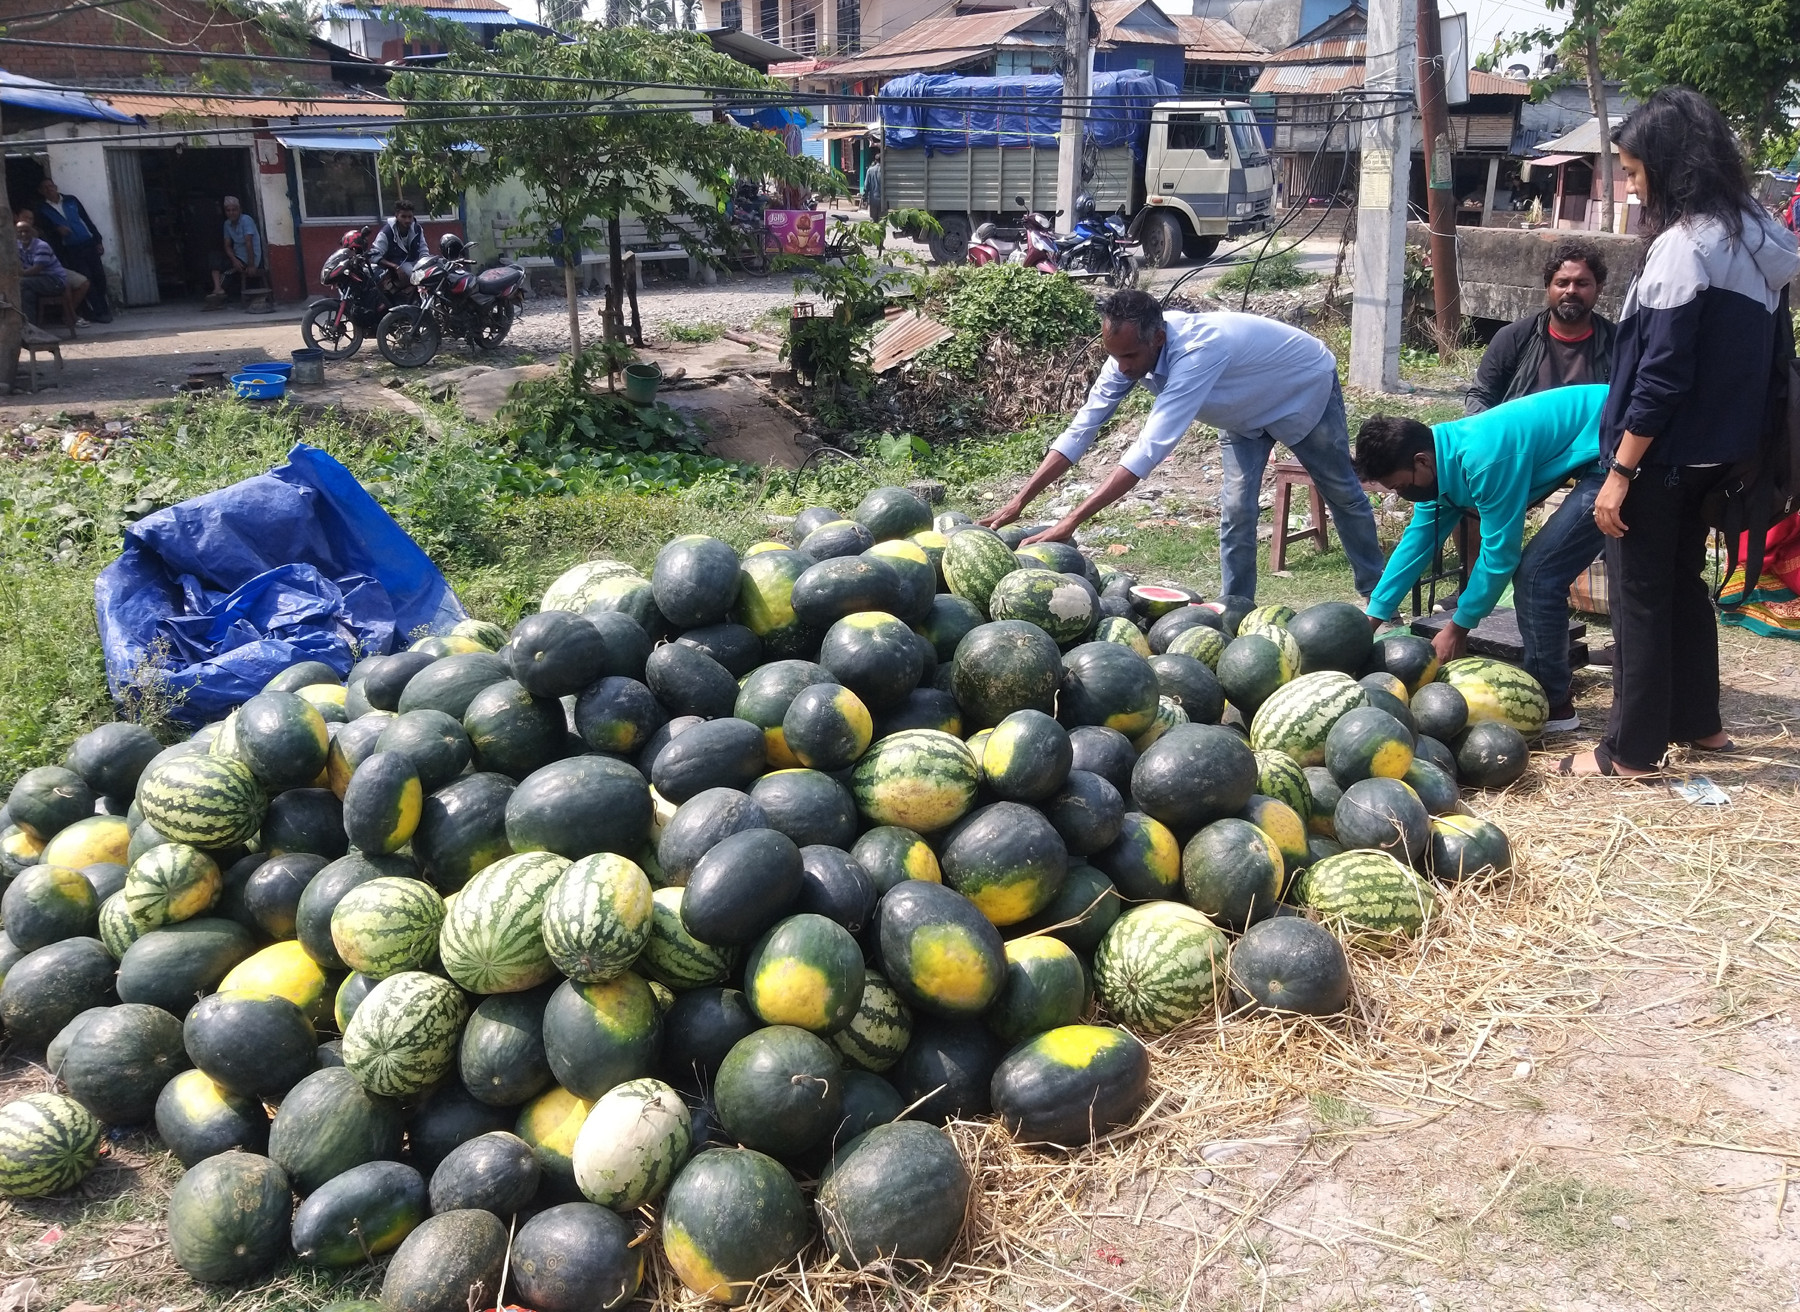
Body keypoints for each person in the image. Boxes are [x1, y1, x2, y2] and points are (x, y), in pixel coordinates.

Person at [1562, 88, 1800, 777]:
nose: (1632, 189)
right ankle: (1702, 724)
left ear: (1669, 168)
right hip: (1721, 456)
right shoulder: (1755, 242)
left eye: (1635, 173)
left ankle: (1629, 752)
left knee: (1638, 596)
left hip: (1661, 458)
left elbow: (1661, 375)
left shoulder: (1682, 249)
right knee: (1684, 585)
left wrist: (1620, 471)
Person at [980, 289, 1386, 603]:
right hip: (1241, 414)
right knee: (1235, 511)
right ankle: (1236, 606)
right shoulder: (1125, 356)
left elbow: (1149, 448)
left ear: (1158, 338)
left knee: (1342, 494)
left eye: (1129, 356)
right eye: (1114, 355)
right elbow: (1082, 428)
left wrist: (1071, 521)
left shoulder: (1197, 351)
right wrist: (1019, 501)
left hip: (1300, 388)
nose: (1122, 366)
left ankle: (1377, 597)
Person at [1356, 385, 1609, 733]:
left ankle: (1554, 705)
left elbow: (1500, 555)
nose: (1401, 494)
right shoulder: (1439, 461)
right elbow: (1415, 546)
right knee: (1537, 573)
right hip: (1595, 448)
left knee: (1536, 576)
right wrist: (1371, 618)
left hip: (1615, 450)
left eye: (1399, 486)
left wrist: (1459, 626)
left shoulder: (1483, 457)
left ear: (1421, 461)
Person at [1465, 238, 1616, 413]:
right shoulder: (1514, 338)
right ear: (1548, 287)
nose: (1571, 290)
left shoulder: (1618, 343)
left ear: (1598, 289)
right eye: (1562, 283)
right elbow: (1480, 396)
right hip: (1523, 437)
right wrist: (1493, 435)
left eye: (1582, 283)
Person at [36, 176, 111, 323]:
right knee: (86, 278)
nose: (49, 189)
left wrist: (98, 240)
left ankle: (104, 309)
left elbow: (86, 219)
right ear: (41, 191)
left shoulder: (71, 200)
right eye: (45, 188)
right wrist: (56, 229)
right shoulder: (42, 209)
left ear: (55, 187)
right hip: (70, 249)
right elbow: (45, 230)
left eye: (51, 186)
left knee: (99, 277)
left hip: (87, 243)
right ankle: (98, 312)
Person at [14, 209, 69, 325]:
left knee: (21, 283)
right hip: (36, 280)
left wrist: (18, 274)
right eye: (20, 232)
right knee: (26, 294)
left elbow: (36, 269)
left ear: (32, 232)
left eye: (26, 231)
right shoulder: (17, 246)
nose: (23, 234)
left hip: (55, 281)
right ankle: (30, 327)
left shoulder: (41, 246)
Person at [206, 196, 262, 307]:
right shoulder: (227, 224)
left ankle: (217, 295)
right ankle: (218, 289)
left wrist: (251, 265)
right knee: (214, 257)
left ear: (239, 210)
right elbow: (227, 246)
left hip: (249, 258)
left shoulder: (246, 220)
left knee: (226, 273)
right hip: (237, 257)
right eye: (228, 210)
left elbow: (249, 243)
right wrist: (234, 259)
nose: (231, 213)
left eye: (234, 210)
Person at [371, 201, 427, 283]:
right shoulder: (386, 232)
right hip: (394, 269)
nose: (407, 220)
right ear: (396, 216)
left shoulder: (417, 229)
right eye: (403, 217)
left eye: (410, 217)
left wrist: (425, 264)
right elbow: (374, 255)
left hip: (416, 264)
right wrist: (395, 267)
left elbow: (423, 249)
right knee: (412, 273)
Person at [863, 146, 883, 222]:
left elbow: (866, 186)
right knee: (882, 222)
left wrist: (864, 198)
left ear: (875, 160)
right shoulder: (885, 170)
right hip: (883, 201)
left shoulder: (870, 170)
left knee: (873, 222)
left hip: (873, 200)